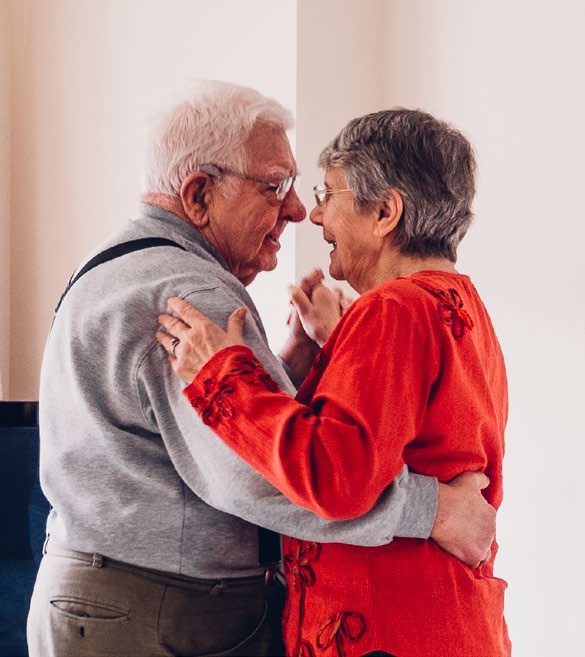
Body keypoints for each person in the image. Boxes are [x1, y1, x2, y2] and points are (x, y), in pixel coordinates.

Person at [28, 82, 495, 657]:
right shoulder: (188, 291)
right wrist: (438, 511)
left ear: (385, 212)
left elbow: (310, 451)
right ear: (199, 193)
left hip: (115, 601)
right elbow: (262, 477)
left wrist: (280, 368)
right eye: (278, 186)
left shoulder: (117, 262)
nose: (303, 211)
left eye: (318, 191)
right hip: (161, 613)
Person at [156, 108, 511, 657]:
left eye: (329, 192)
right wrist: (332, 349)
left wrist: (220, 374)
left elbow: (335, 475)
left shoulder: (393, 310)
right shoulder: (459, 304)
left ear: (385, 211)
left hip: (390, 628)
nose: (315, 214)